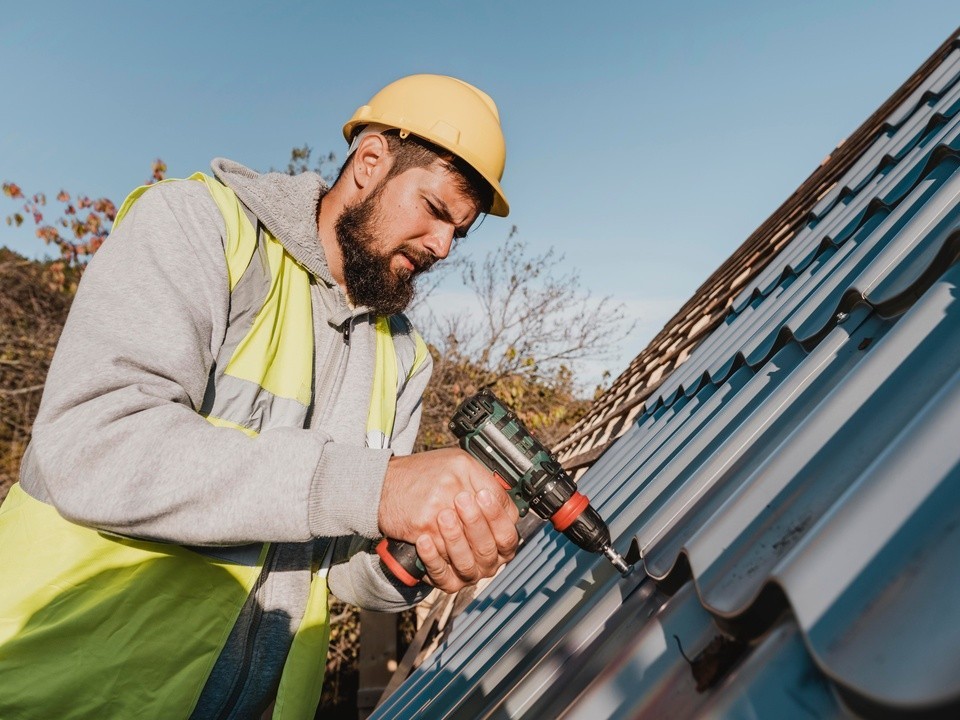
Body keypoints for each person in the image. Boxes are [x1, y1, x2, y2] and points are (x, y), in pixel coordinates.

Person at [0, 74, 519, 719]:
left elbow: (339, 567)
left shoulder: (403, 354)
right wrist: (377, 487)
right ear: (370, 163)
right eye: (436, 211)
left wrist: (417, 554)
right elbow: (93, 446)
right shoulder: (198, 227)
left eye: (458, 233)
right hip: (56, 694)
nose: (442, 247)